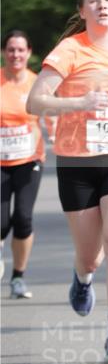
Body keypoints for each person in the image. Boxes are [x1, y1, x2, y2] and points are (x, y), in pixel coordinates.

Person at [26, 0, 108, 363]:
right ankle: (82, 280)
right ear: (82, 11)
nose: (101, 5)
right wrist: (79, 102)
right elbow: (35, 101)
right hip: (78, 162)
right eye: (93, 1)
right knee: (91, 257)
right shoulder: (68, 51)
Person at [1, 30, 53, 297]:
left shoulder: (36, 83)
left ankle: (18, 278)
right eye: (10, 49)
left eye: (20, 50)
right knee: (0, 222)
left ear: (29, 52)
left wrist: (56, 133)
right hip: (0, 161)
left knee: (23, 217)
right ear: (3, 52)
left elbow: (51, 114)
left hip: (29, 159)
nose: (15, 55)